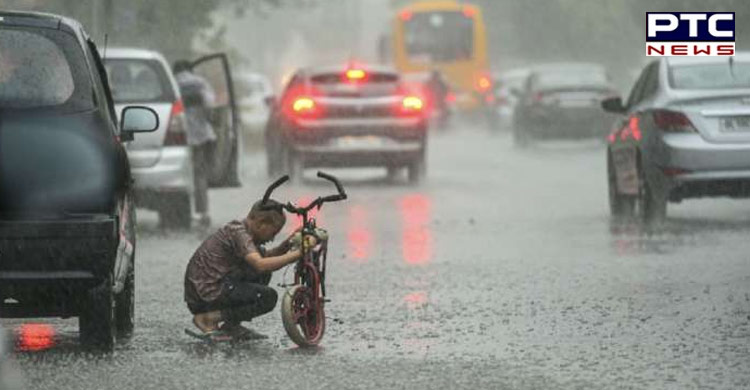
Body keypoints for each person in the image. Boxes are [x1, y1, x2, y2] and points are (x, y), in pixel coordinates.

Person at [183, 199, 313, 341]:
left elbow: (266, 258)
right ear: (261, 223)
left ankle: (231, 325)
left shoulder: (242, 230)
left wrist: (289, 242)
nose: (272, 238)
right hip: (206, 295)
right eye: (273, 232)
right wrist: (299, 253)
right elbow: (261, 264)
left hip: (209, 290)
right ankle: (208, 319)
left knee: (262, 275)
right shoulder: (239, 233)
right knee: (268, 297)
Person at [173, 60, 216, 227]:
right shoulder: (200, 82)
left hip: (178, 138)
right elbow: (210, 104)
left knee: (181, 176)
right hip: (202, 136)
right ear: (190, 69)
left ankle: (180, 213)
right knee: (200, 174)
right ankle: (202, 212)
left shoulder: (172, 82)